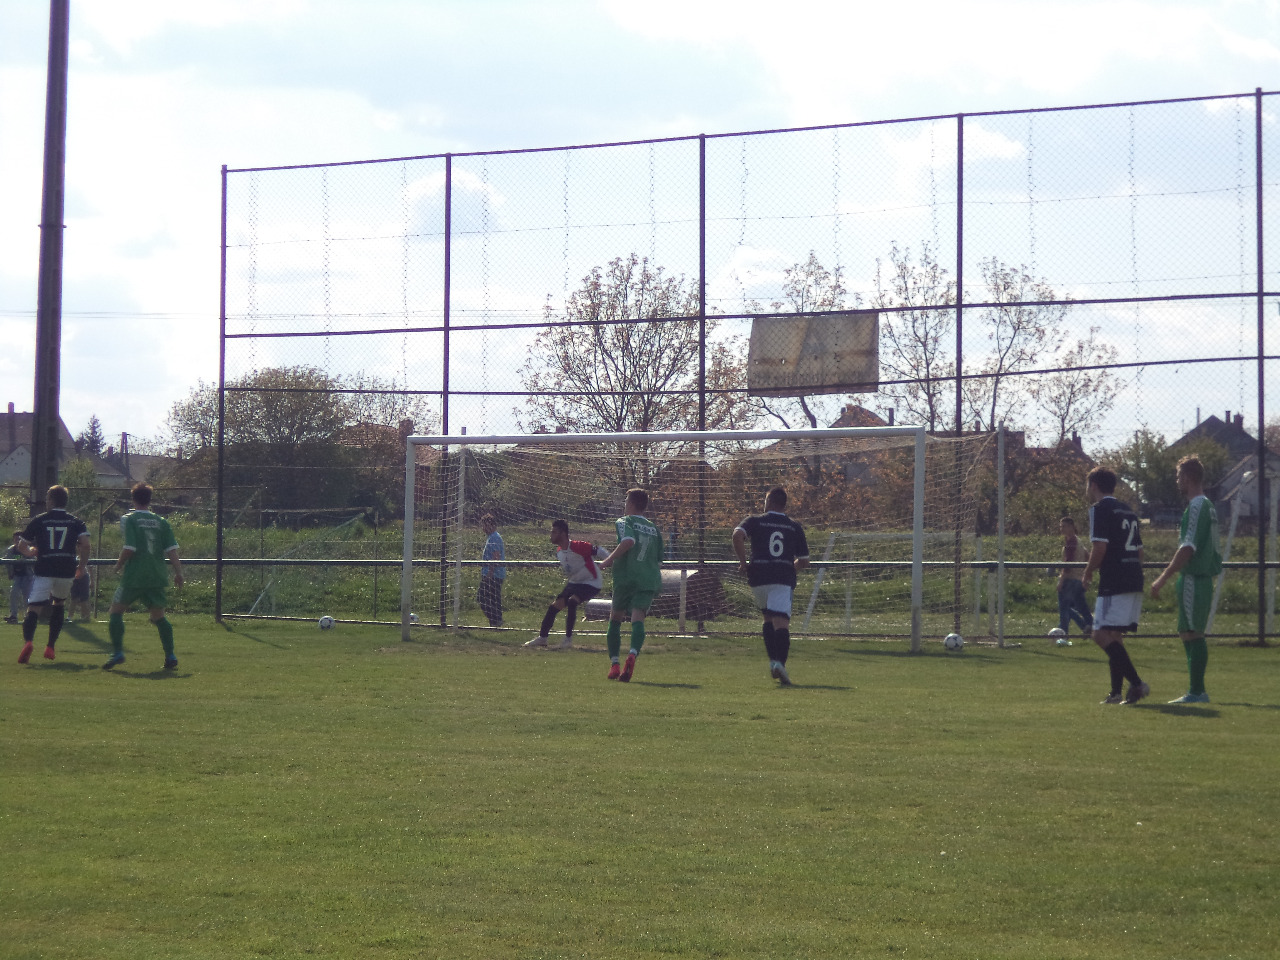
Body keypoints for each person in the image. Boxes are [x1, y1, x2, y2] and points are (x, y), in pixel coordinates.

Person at [1150, 455, 1221, 704]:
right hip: (1199, 577)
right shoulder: (1208, 505)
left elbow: (1188, 547)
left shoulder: (1197, 506)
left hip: (1194, 576)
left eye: (1179, 475)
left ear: (1188, 478)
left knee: (1193, 633)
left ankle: (1197, 691)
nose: (1177, 480)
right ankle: (1196, 689)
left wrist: (1162, 578)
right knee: (1187, 632)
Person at [1080, 466, 1149, 705]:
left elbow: (1100, 547)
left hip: (1115, 579)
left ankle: (1137, 683)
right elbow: (1140, 552)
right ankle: (1116, 693)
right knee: (1115, 635)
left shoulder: (1100, 509)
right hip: (1134, 576)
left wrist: (1088, 571)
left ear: (1093, 485)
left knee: (1099, 633)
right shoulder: (1128, 510)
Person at [732, 486, 810, 685]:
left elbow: (737, 535)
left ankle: (773, 661)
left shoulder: (755, 520)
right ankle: (779, 663)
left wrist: (743, 563)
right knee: (781, 622)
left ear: (768, 502)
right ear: (784, 504)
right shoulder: (794, 526)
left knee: (768, 617)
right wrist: (790, 568)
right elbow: (804, 561)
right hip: (781, 577)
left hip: (758, 576)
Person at [104, 483, 184, 671]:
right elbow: (171, 550)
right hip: (156, 575)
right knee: (159, 617)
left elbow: (129, 547)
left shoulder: (129, 519)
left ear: (133, 498)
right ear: (150, 499)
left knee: (116, 611)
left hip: (135, 575)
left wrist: (118, 565)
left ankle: (117, 652)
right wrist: (179, 573)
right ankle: (170, 655)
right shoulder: (161, 521)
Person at [16, 485, 91, 663]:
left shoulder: (40, 520)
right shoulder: (75, 522)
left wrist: (30, 552)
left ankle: (28, 642)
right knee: (59, 603)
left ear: (50, 500)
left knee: (34, 607)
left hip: (45, 569)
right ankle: (50, 646)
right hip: (66, 569)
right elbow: (86, 545)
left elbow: (21, 545)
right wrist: (81, 566)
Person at [599, 488, 663, 682]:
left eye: (626, 501)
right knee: (638, 619)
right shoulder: (654, 529)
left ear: (632, 503)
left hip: (626, 576)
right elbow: (659, 559)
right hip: (648, 578)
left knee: (615, 619)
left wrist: (608, 560)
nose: (624, 504)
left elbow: (628, 541)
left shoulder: (624, 521)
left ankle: (615, 665)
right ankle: (633, 654)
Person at [524, 519, 609, 650]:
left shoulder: (577, 546)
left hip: (592, 582)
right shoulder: (559, 551)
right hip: (575, 583)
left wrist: (609, 561)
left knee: (572, 602)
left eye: (554, 532)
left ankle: (568, 639)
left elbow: (599, 550)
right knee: (554, 607)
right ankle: (542, 638)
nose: (551, 535)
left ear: (563, 534)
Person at [1055, 517, 1093, 639]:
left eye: (1064, 526)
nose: (1061, 529)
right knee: (1075, 607)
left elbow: (1068, 564)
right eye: (1060, 526)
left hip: (1070, 579)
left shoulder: (1071, 542)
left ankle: (1063, 634)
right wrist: (1086, 576)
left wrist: (1061, 581)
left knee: (1064, 608)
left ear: (1071, 526)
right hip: (1078, 579)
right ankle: (1088, 627)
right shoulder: (1078, 541)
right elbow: (1088, 556)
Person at [477, 513, 505, 627]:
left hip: (494, 575)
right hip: (492, 574)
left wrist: (490, 573)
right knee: (492, 599)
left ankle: (496, 620)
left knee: (482, 597)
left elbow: (496, 557)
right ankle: (495, 622)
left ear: (492, 525)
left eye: (485, 525)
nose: (483, 528)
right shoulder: (491, 537)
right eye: (483, 525)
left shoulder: (495, 537)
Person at [5, 531, 33, 624]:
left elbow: (33, 560)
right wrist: (10, 573)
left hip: (27, 576)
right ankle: (13, 615)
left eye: (19, 539)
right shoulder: (11, 550)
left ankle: (28, 616)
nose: (17, 541)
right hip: (17, 576)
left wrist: (23, 560)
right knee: (13, 594)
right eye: (15, 539)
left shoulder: (27, 549)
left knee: (27, 597)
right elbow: (7, 561)